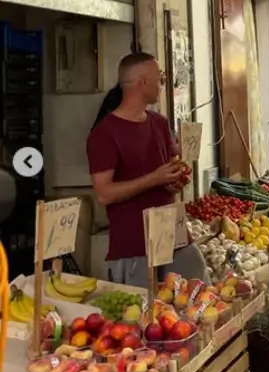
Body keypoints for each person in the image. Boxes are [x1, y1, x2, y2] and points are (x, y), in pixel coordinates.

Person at [86, 52, 208, 288]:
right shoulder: (104, 134)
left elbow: (168, 169)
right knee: (144, 316)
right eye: (160, 78)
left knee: (198, 297)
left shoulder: (159, 123)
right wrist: (154, 178)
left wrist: (175, 179)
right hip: (134, 244)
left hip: (173, 233)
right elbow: (104, 193)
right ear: (143, 83)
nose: (163, 84)